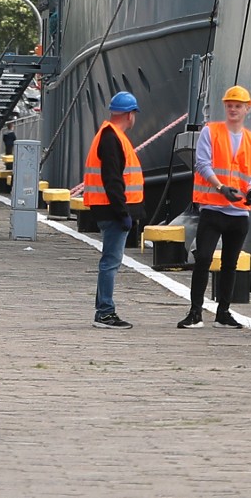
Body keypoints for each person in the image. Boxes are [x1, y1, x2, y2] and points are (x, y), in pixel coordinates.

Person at [178, 85, 251, 330]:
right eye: (229, 105)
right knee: (203, 258)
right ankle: (195, 312)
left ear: (247, 109)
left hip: (239, 212)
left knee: (230, 263)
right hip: (213, 208)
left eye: (238, 105)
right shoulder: (210, 132)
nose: (233, 109)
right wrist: (220, 187)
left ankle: (223, 312)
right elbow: (203, 164)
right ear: (225, 107)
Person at [83, 91, 145, 329]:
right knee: (110, 261)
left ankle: (103, 309)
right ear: (130, 115)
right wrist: (123, 213)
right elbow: (113, 180)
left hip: (107, 209)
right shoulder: (112, 138)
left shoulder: (109, 135)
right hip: (112, 211)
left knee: (109, 260)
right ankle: (105, 313)